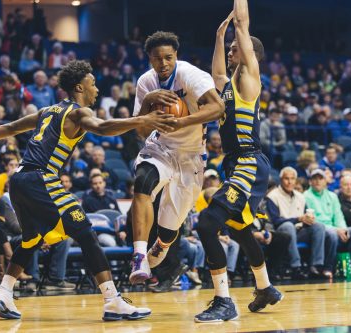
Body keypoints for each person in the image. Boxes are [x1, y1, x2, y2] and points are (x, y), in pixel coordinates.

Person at [0, 60, 177, 321]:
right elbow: (103, 128)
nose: (97, 90)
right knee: (86, 234)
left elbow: (11, 128)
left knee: (32, 239)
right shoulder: (79, 113)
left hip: (19, 180)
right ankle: (112, 300)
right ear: (80, 86)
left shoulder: (47, 111)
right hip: (40, 178)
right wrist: (144, 119)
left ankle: (3, 292)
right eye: (92, 84)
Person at [194, 2, 283, 322]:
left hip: (248, 161)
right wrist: (219, 37)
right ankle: (266, 288)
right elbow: (216, 74)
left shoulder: (249, 78)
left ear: (249, 55)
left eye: (235, 48)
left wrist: (236, 21)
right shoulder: (229, 85)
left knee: (206, 224)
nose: (232, 50)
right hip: (235, 163)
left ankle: (223, 301)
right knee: (242, 230)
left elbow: (242, 25)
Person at [128, 31, 224, 286]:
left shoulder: (190, 75)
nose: (163, 64)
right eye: (157, 59)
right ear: (149, 58)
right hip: (161, 148)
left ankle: (163, 243)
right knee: (142, 183)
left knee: (170, 229)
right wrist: (148, 101)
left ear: (176, 56)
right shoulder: (146, 83)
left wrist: (182, 121)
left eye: (168, 58)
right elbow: (140, 130)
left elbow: (217, 107)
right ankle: (138, 255)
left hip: (191, 156)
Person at [266, 167, 327, 279]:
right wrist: (298, 219)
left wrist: (308, 219)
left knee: (319, 226)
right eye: (286, 179)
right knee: (288, 226)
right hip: (281, 233)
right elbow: (275, 221)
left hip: (299, 231)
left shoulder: (300, 196)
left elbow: (305, 217)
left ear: (296, 180)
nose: (289, 182)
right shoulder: (272, 196)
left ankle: (316, 266)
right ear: (281, 179)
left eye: (292, 179)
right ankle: (296, 266)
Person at [304, 169, 351, 278]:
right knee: (331, 233)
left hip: (335, 228)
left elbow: (338, 216)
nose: (318, 181)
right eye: (315, 179)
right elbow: (313, 221)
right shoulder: (305, 196)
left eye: (320, 178)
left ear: (325, 181)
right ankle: (328, 267)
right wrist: (336, 230)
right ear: (310, 181)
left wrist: (343, 229)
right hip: (319, 229)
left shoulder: (332, 196)